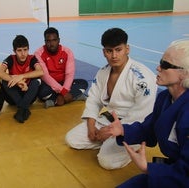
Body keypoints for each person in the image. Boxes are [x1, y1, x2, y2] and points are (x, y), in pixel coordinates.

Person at [100, 40, 189, 187]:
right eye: (161, 62)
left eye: (166, 65)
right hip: (174, 171)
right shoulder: (164, 98)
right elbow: (150, 129)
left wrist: (148, 168)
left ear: (185, 74)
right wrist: (122, 130)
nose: (158, 67)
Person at [65, 28, 158, 170]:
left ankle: (131, 147)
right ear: (104, 52)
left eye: (118, 50)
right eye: (109, 51)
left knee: (106, 161)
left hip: (131, 127)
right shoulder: (103, 72)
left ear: (127, 49)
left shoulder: (142, 78)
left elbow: (142, 114)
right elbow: (94, 99)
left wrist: (113, 131)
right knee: (71, 139)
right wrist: (91, 126)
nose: (114, 55)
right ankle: (107, 142)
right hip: (107, 121)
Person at [34, 27, 88, 108]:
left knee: (83, 83)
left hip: (63, 83)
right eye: (48, 41)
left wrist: (64, 91)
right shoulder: (38, 53)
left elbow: (69, 74)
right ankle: (74, 97)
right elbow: (45, 76)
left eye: (54, 40)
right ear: (45, 42)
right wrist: (63, 92)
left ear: (59, 40)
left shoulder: (67, 52)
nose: (51, 44)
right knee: (41, 92)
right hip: (49, 85)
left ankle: (55, 100)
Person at [0, 35, 43, 123]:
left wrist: (21, 76)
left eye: (25, 50)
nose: (23, 53)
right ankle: (24, 108)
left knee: (37, 80)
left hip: (28, 94)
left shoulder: (32, 58)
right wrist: (18, 82)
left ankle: (21, 108)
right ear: (14, 51)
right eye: (19, 50)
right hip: (13, 97)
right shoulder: (11, 59)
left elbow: (40, 72)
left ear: (28, 49)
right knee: (3, 79)